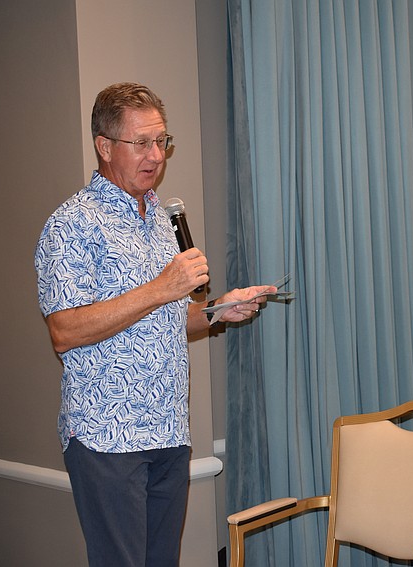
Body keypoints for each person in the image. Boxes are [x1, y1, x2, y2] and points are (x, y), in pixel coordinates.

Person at [34, 82, 276, 567]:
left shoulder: (160, 219)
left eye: (161, 141)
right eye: (141, 142)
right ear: (105, 146)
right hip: (109, 437)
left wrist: (216, 312)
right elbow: (64, 331)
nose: (155, 155)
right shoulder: (71, 225)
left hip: (168, 430)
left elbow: (164, 321)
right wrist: (162, 288)